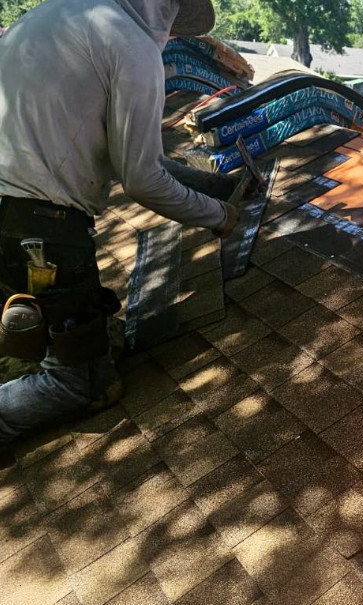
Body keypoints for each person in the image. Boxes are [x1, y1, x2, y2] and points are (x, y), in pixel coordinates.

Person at [0, 0, 240, 443]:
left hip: (12, 216)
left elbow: (132, 160)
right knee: (82, 382)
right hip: (41, 229)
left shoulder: (51, 17)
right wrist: (221, 216)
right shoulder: (129, 45)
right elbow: (142, 180)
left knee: (87, 332)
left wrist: (216, 187)